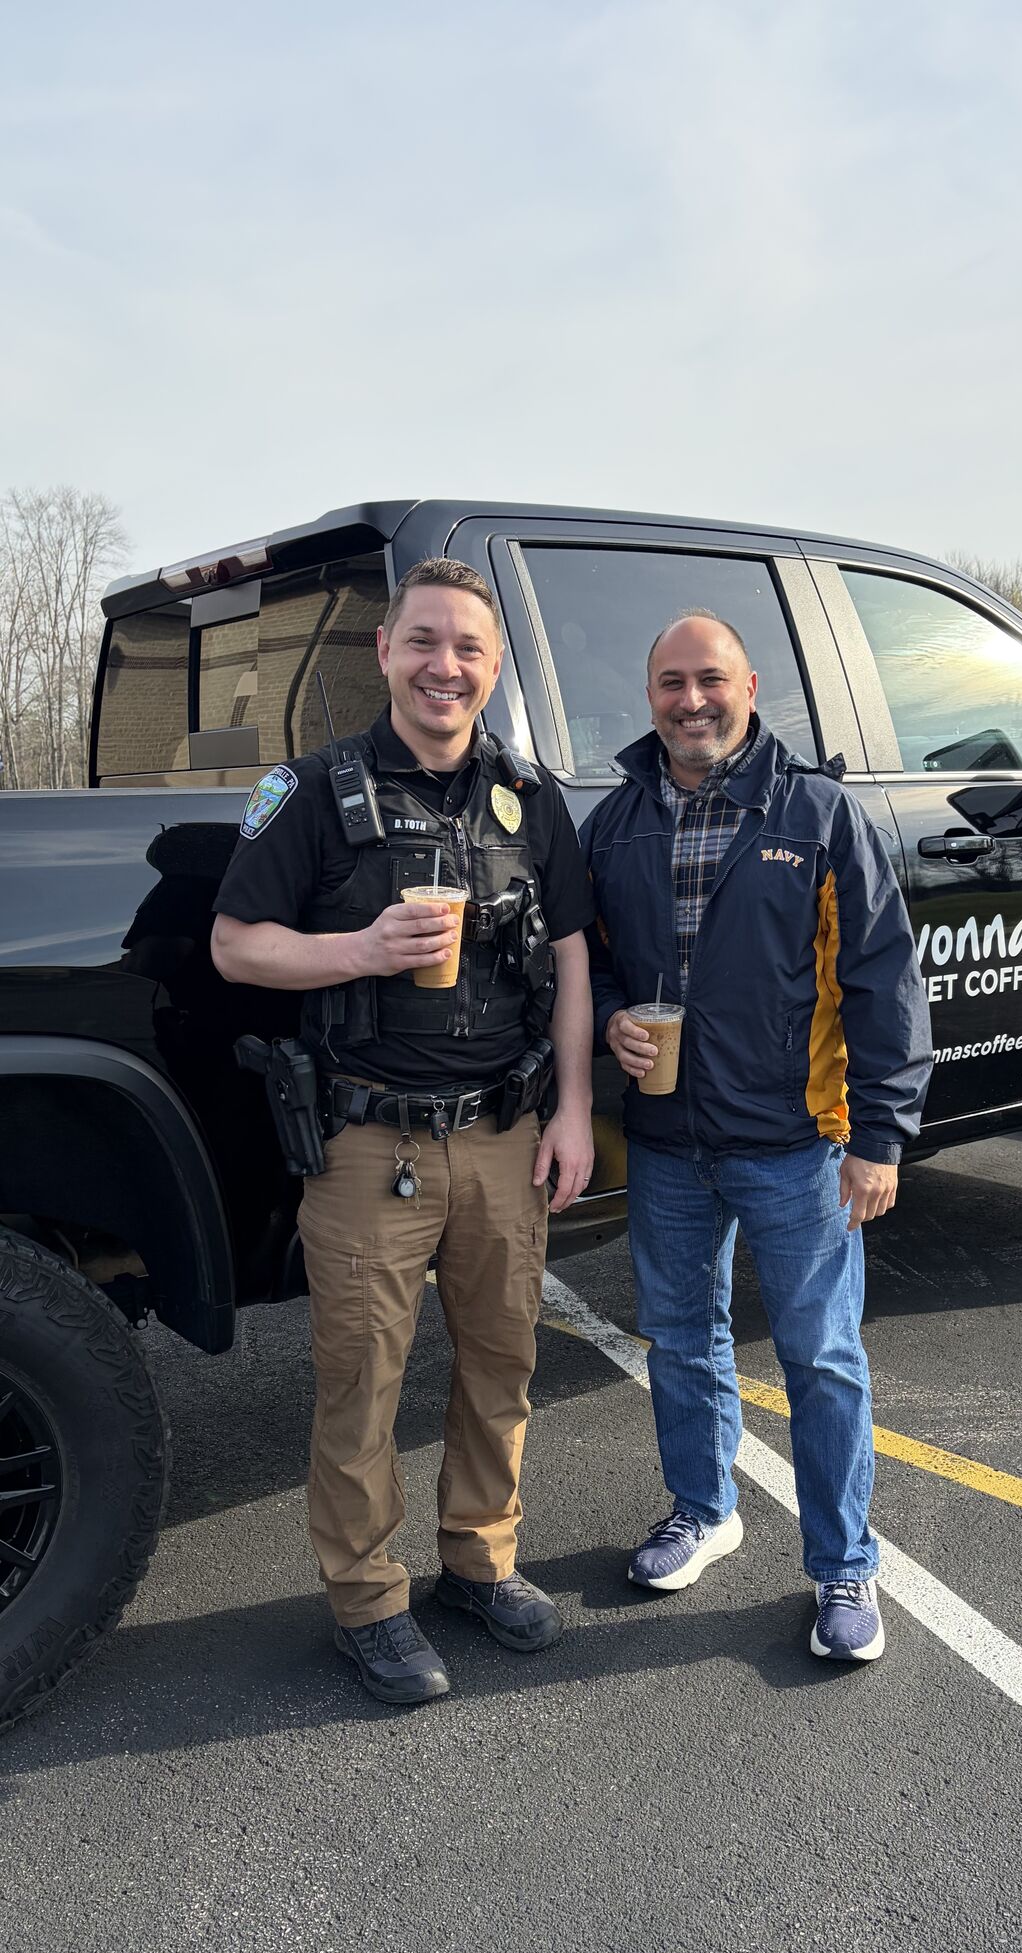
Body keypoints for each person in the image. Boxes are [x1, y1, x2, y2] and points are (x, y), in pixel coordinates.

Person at [211, 559, 594, 1706]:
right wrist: (359, 950)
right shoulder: (312, 789)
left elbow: (573, 955)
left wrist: (575, 1108)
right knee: (361, 1381)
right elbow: (237, 944)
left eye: (468, 649)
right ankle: (369, 1601)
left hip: (504, 1136)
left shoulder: (529, 796)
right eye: (424, 643)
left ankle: (480, 1562)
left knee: (502, 1364)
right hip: (371, 1146)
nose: (446, 667)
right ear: (384, 652)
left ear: (492, 667)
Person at [582, 609, 931, 1662]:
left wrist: (881, 1136)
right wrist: (606, 1014)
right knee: (680, 1342)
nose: (691, 700)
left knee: (822, 1358)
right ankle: (705, 1508)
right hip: (670, 1144)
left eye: (711, 680)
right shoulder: (616, 823)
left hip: (799, 1145)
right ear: (650, 696)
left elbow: (884, 981)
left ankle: (844, 1568)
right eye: (671, 682)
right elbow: (588, 957)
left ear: (751, 686)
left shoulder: (820, 815)